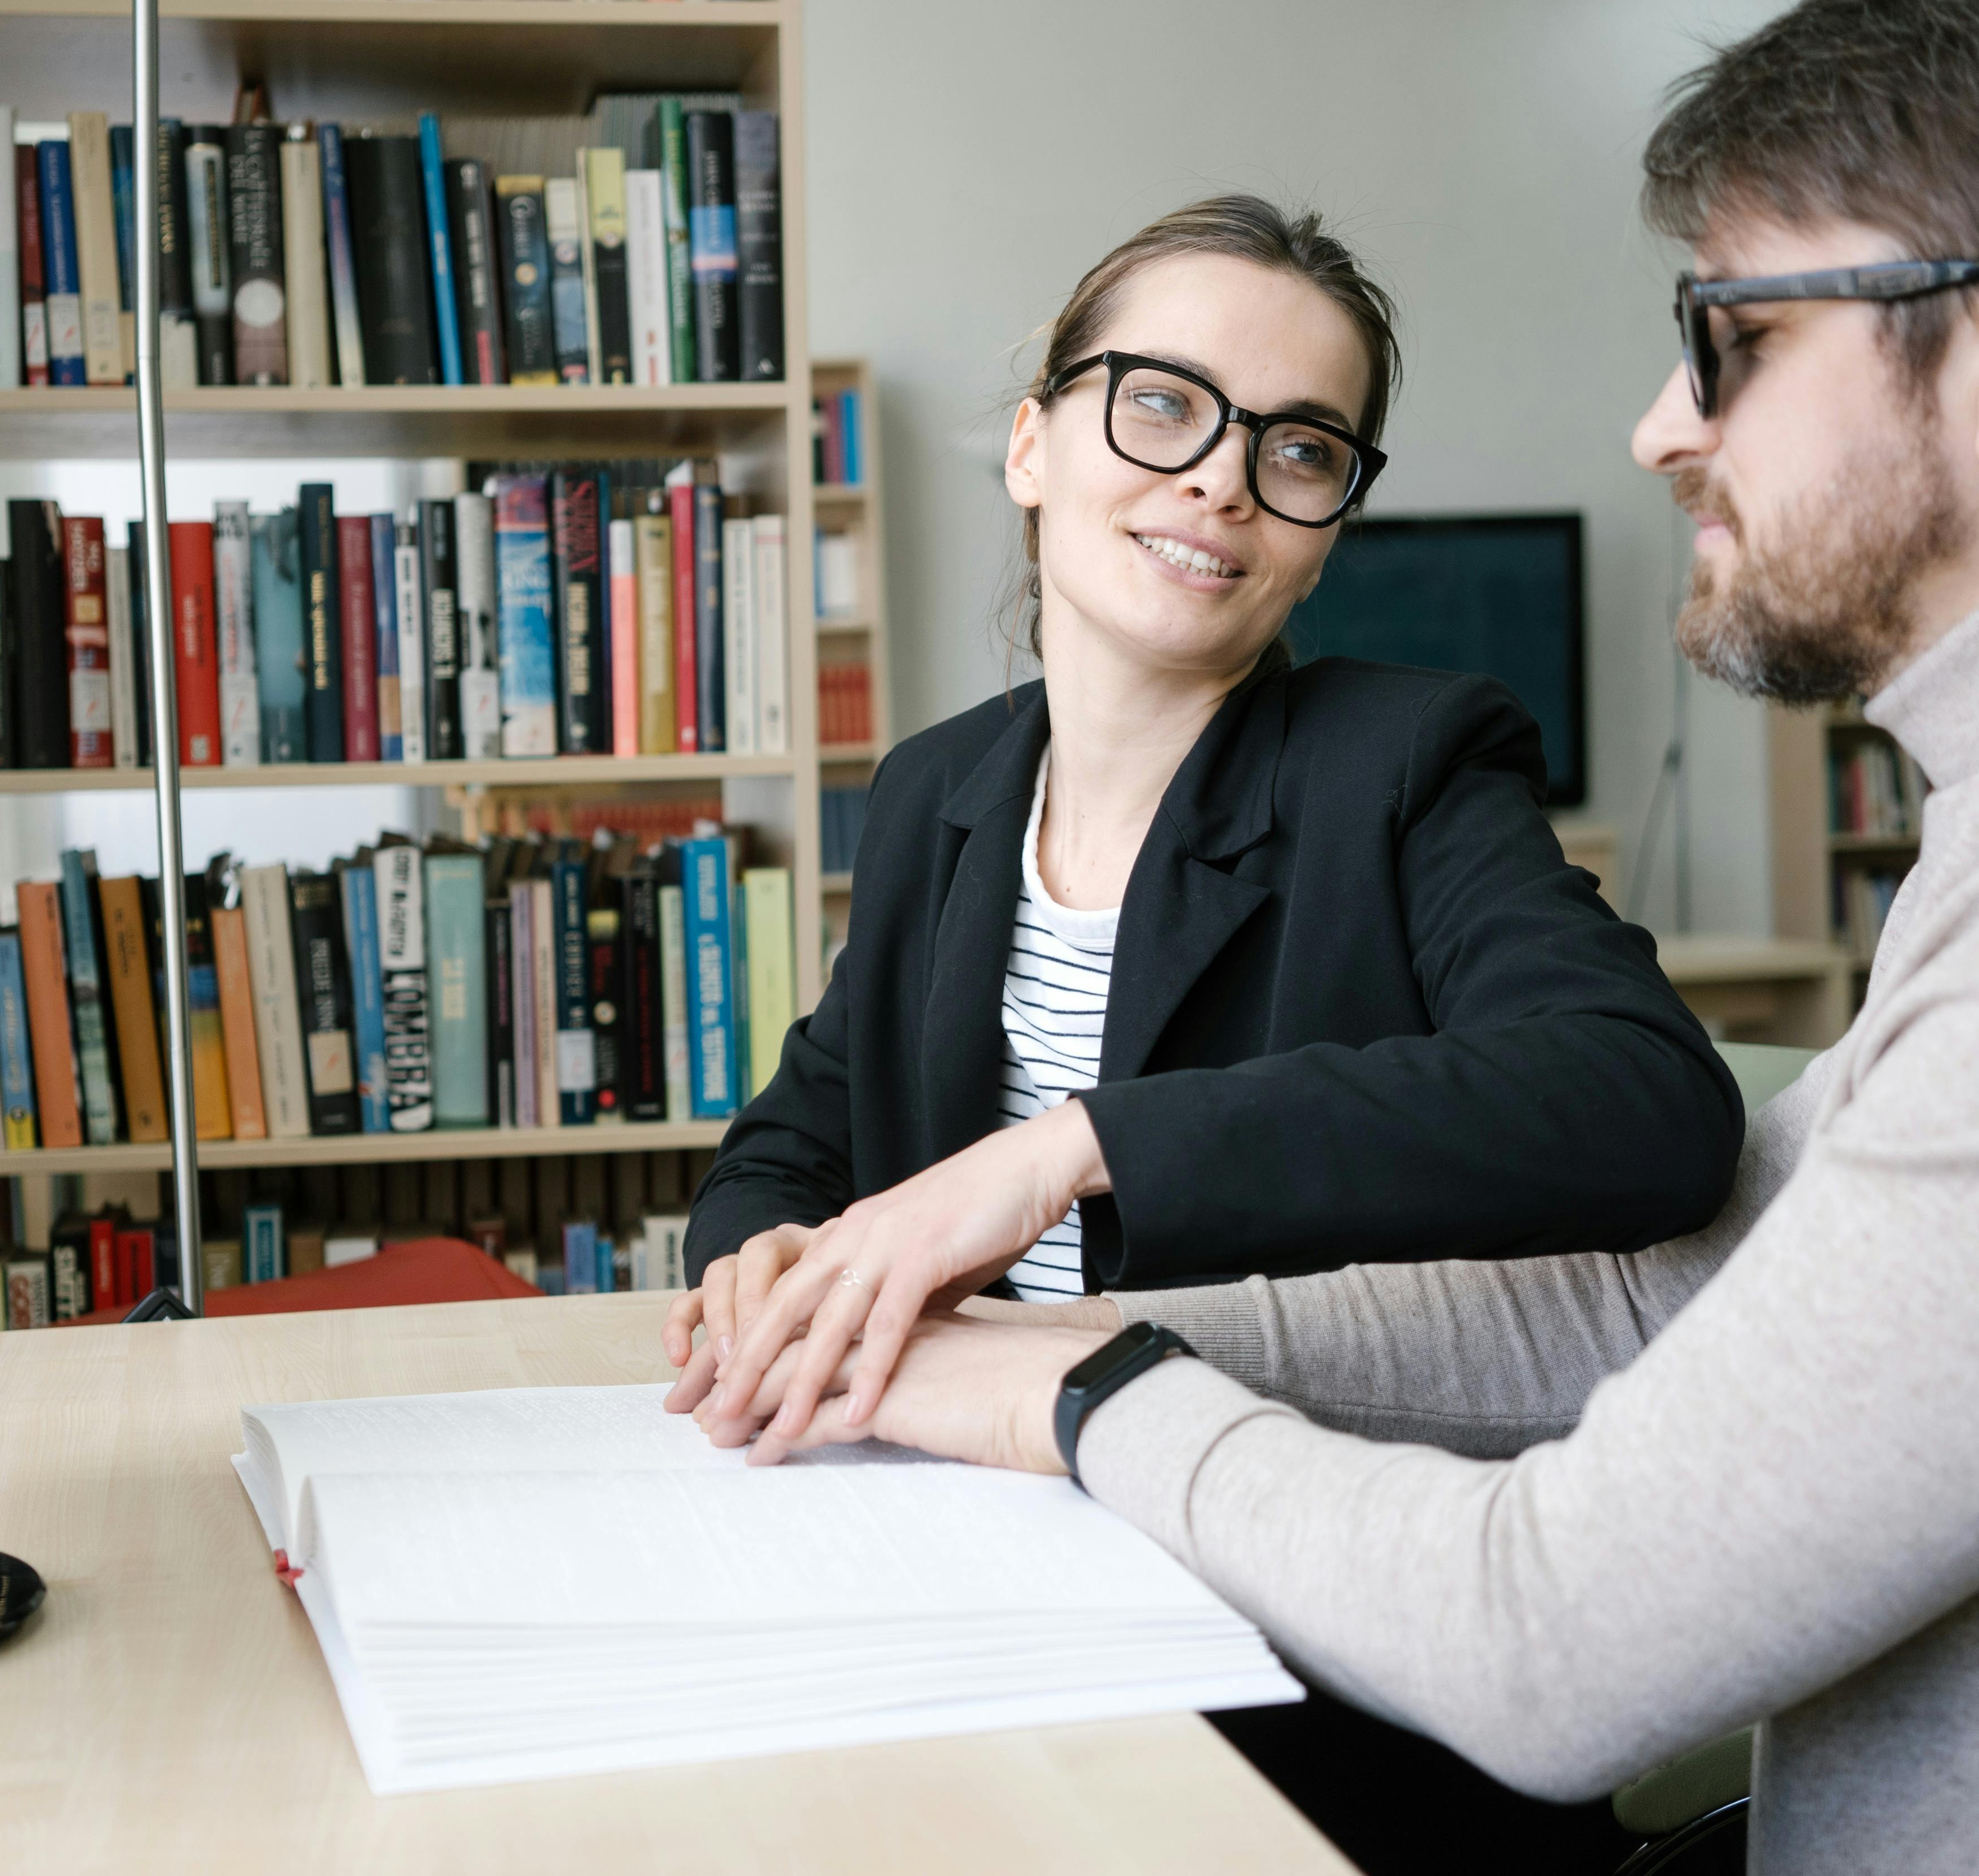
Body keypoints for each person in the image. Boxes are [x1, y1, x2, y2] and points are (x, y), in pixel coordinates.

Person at [672, 4, 1979, 1874]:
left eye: (1728, 339)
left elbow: (1554, 1641)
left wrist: (1079, 1391)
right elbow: (1679, 1286)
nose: (1660, 427)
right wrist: (1055, 1333)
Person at [671, 196, 1742, 1429]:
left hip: (1263, 1485)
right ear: (1031, 447)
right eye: (1164, 403)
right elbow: (786, 1147)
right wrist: (761, 1258)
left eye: (1298, 451)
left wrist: (1072, 1146)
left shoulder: (1405, 764)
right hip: (955, 1475)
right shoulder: (933, 790)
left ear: (1325, 534)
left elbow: (1647, 1101)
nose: (1221, 481)